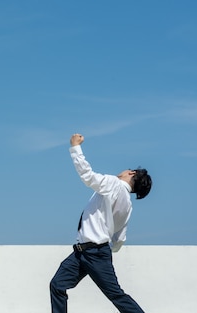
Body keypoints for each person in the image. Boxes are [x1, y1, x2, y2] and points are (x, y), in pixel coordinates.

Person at [49, 133, 152, 313]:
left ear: (131, 173)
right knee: (57, 285)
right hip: (84, 253)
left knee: (116, 295)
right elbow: (119, 238)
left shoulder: (114, 184)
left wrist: (75, 147)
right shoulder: (127, 204)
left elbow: (87, 176)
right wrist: (104, 249)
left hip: (94, 252)